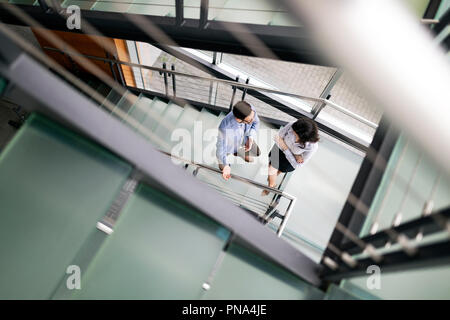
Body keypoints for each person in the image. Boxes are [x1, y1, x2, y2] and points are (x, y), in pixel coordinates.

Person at [262, 117, 319, 195]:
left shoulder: (312, 146)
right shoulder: (294, 125)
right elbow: (277, 137)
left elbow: (299, 164)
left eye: (296, 135)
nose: (293, 134)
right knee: (271, 169)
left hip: (289, 161)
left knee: (277, 171)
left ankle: (271, 183)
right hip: (279, 150)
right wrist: (295, 154)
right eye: (293, 132)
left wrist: (285, 148)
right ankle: (271, 185)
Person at [216, 101, 261, 180]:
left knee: (257, 152)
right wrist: (225, 166)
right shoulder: (224, 128)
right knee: (222, 166)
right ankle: (235, 152)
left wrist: (250, 137)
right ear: (238, 119)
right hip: (229, 147)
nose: (252, 120)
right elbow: (220, 151)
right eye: (249, 121)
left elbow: (256, 123)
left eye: (252, 117)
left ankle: (238, 152)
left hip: (244, 138)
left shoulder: (250, 110)